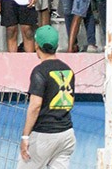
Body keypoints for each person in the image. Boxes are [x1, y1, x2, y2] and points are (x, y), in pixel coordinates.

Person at [18, 25, 76, 169]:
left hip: (45, 134)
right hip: (67, 134)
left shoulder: (39, 71)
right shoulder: (68, 70)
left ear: (37, 45)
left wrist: (25, 136)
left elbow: (35, 106)